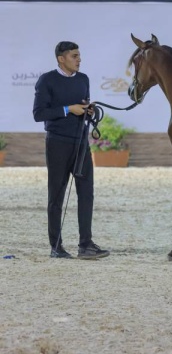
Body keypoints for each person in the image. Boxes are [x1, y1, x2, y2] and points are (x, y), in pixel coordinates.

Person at [33, 41, 110, 259]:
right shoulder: (47, 80)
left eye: (79, 56)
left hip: (81, 143)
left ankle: (86, 245)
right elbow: (39, 114)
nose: (79, 59)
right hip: (57, 143)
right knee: (56, 195)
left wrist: (88, 110)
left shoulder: (83, 79)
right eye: (74, 56)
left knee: (86, 193)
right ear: (61, 58)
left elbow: (83, 105)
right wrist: (69, 109)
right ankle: (56, 246)